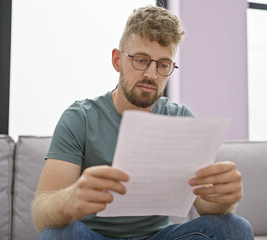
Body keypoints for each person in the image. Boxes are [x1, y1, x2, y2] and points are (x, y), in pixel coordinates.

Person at [33, 5, 254, 240]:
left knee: (235, 228)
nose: (152, 74)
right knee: (58, 232)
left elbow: (203, 205)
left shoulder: (179, 118)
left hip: (158, 237)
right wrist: (70, 198)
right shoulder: (80, 117)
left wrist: (224, 199)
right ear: (117, 60)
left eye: (163, 64)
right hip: (93, 237)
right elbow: (42, 213)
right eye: (141, 60)